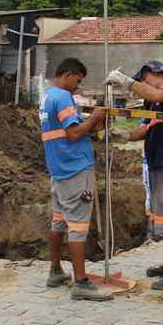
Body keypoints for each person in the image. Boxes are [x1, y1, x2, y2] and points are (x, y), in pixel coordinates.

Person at [106, 60, 163, 290]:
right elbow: (143, 129)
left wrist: (126, 82)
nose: (142, 86)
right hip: (157, 164)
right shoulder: (154, 107)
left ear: (152, 73)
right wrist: (121, 135)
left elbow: (154, 94)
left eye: (143, 80)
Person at [40, 58, 111, 301]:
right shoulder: (62, 97)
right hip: (74, 170)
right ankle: (80, 282)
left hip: (59, 170)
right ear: (68, 74)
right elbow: (72, 134)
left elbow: (67, 129)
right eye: (77, 81)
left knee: (59, 221)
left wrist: (90, 124)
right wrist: (95, 117)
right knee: (78, 226)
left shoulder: (48, 96)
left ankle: (55, 271)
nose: (77, 87)